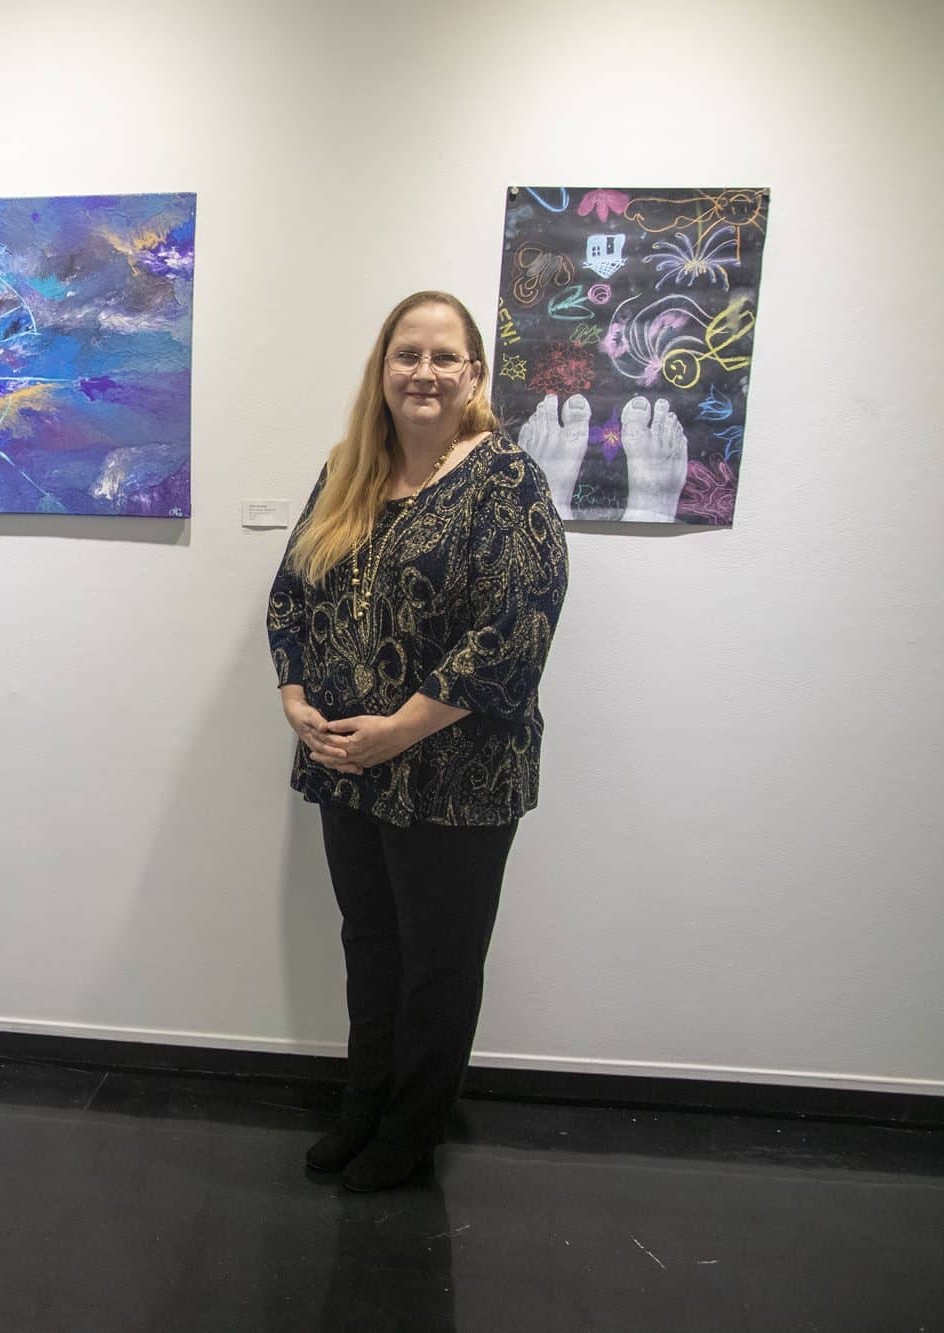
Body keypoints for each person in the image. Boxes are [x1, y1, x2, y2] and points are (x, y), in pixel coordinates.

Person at [265, 290, 568, 1192]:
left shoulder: (506, 479)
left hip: (455, 773)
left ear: (474, 373)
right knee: (371, 946)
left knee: (438, 964)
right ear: (383, 367)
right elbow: (292, 594)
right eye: (408, 354)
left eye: (444, 356)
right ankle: (363, 1107)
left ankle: (410, 1131)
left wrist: (398, 729)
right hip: (347, 766)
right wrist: (294, 697)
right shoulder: (348, 469)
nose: (424, 372)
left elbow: (515, 630)